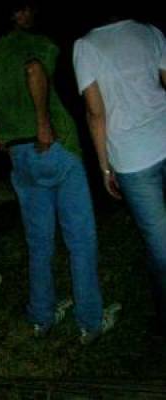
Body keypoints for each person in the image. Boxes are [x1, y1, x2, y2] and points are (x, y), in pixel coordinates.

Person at [0, 0, 120, 344]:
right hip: (55, 148)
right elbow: (35, 70)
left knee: (39, 242)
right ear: (21, 15)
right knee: (80, 239)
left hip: (19, 157)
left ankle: (42, 316)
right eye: (24, 9)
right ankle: (90, 320)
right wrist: (43, 124)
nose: (28, 15)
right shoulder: (40, 43)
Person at [73, 10, 166, 338]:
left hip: (132, 157)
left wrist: (104, 166)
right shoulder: (149, 31)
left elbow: (95, 111)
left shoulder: (85, 47)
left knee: (160, 244)